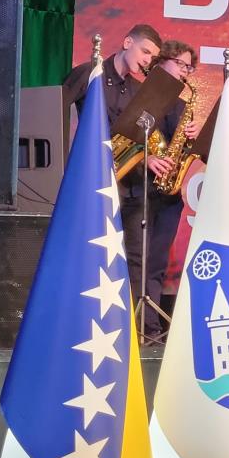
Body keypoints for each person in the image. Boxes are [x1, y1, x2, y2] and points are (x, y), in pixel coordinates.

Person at [63, 24, 165, 319]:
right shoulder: (89, 73)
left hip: (127, 185)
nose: (147, 60)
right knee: (89, 254)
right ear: (127, 42)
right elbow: (55, 112)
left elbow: (137, 139)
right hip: (90, 181)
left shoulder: (137, 90)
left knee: (133, 256)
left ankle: (128, 325)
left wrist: (146, 157)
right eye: (145, 52)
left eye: (152, 57)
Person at [142, 40, 202, 336]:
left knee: (157, 262)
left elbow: (187, 151)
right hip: (138, 188)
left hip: (168, 193)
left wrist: (194, 136)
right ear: (161, 61)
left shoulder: (181, 106)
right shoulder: (141, 93)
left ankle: (150, 325)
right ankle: (130, 324)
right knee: (135, 259)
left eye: (189, 67)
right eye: (180, 64)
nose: (185, 72)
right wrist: (147, 159)